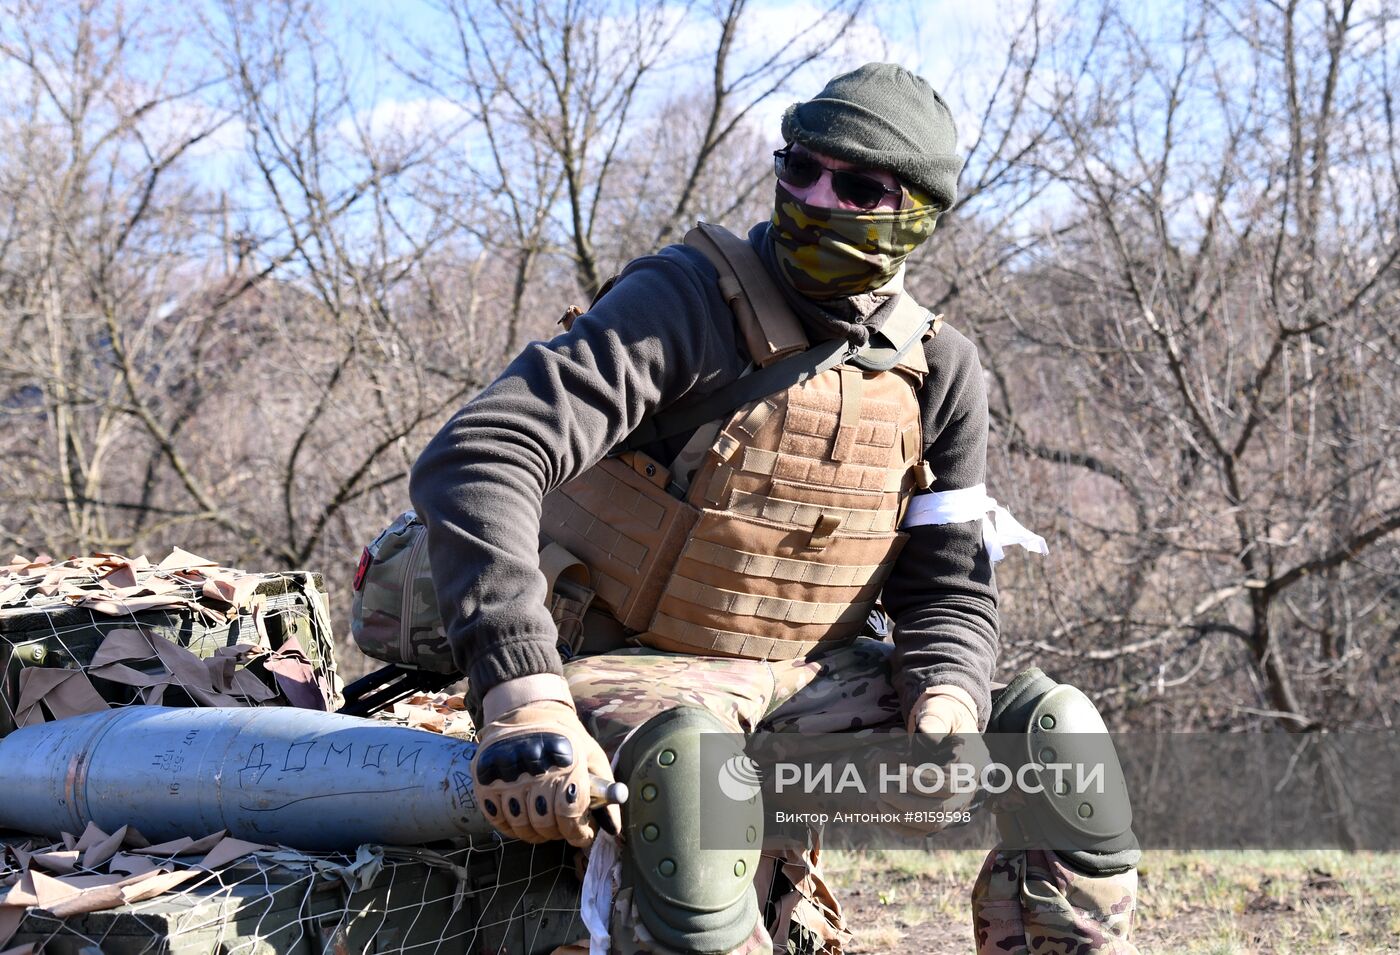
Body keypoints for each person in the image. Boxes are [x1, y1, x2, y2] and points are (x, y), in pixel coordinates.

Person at [410, 62, 1139, 955]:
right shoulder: (684, 301)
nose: (817, 197)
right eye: (800, 167)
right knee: (693, 770)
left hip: (800, 684)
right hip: (623, 670)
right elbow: (480, 455)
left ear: (920, 214)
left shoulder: (940, 371)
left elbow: (947, 588)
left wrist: (946, 700)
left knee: (1057, 735)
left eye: (860, 186)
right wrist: (520, 691)